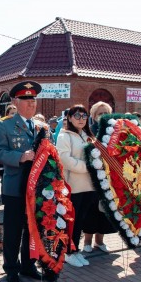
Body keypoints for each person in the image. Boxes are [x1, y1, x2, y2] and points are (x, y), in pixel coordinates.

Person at [0, 80, 44, 282]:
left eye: (33, 100)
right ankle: (11, 267)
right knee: (13, 229)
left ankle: (28, 265)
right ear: (16, 101)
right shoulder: (4, 125)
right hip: (15, 186)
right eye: (26, 99)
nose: (31, 104)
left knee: (32, 227)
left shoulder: (40, 126)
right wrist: (21, 157)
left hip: (36, 188)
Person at [56, 105, 94, 267]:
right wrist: (87, 167)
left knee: (81, 220)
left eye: (84, 116)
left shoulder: (87, 135)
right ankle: (67, 252)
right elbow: (64, 159)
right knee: (71, 221)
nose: (81, 119)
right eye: (77, 116)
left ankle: (75, 250)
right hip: (74, 186)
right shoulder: (65, 136)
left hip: (89, 186)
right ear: (70, 118)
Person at [84, 101, 114, 252]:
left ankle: (100, 241)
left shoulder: (112, 131)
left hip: (108, 177)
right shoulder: (88, 131)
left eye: (105, 113)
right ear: (94, 116)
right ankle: (87, 242)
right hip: (91, 177)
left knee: (104, 210)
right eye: (100, 113)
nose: (103, 116)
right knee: (91, 210)